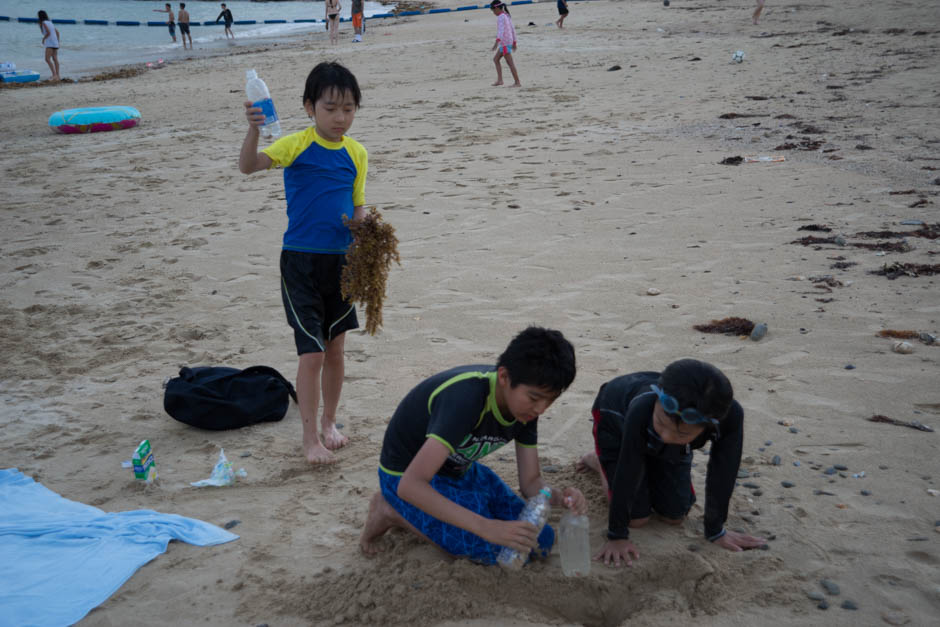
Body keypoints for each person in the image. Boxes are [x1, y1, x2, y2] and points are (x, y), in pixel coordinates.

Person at [359, 326, 587, 565]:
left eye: (549, 400)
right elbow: (410, 485)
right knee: (486, 551)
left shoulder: (526, 411)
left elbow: (531, 483)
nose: (541, 409)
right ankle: (389, 510)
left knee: (540, 542)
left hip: (459, 468)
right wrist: (486, 526)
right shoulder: (466, 399)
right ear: (503, 377)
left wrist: (560, 498)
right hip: (404, 476)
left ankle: (431, 514)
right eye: (534, 398)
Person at [238, 62, 367, 465]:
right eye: (331, 108)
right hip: (301, 263)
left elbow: (357, 209)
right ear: (310, 107)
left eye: (348, 109)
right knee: (311, 353)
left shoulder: (357, 153)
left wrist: (367, 242)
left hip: (342, 266)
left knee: (336, 349)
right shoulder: (296, 144)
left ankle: (330, 424)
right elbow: (249, 166)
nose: (340, 118)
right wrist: (254, 129)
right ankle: (310, 438)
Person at [577, 359, 767, 567]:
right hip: (617, 421)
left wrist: (715, 530)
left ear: (708, 427)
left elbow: (724, 470)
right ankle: (598, 463)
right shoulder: (642, 407)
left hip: (653, 435)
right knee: (636, 519)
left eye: (683, 433)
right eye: (661, 422)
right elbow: (628, 467)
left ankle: (655, 451)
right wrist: (617, 535)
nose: (667, 436)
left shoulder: (729, 417)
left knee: (675, 516)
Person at [489, 1, 520, 87]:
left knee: (510, 63)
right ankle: (500, 80)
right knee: (496, 59)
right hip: (506, 42)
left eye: (493, 11)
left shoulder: (501, 17)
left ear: (497, 8)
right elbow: (512, 29)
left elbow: (501, 31)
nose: (493, 13)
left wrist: (496, 42)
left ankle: (517, 82)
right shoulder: (506, 15)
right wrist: (514, 42)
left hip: (505, 43)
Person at [37, 10, 60, 82]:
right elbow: (57, 32)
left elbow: (48, 33)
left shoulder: (43, 23)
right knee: (55, 58)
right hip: (55, 42)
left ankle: (54, 75)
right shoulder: (50, 22)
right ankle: (57, 75)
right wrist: (58, 42)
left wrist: (43, 39)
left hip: (50, 43)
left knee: (47, 59)